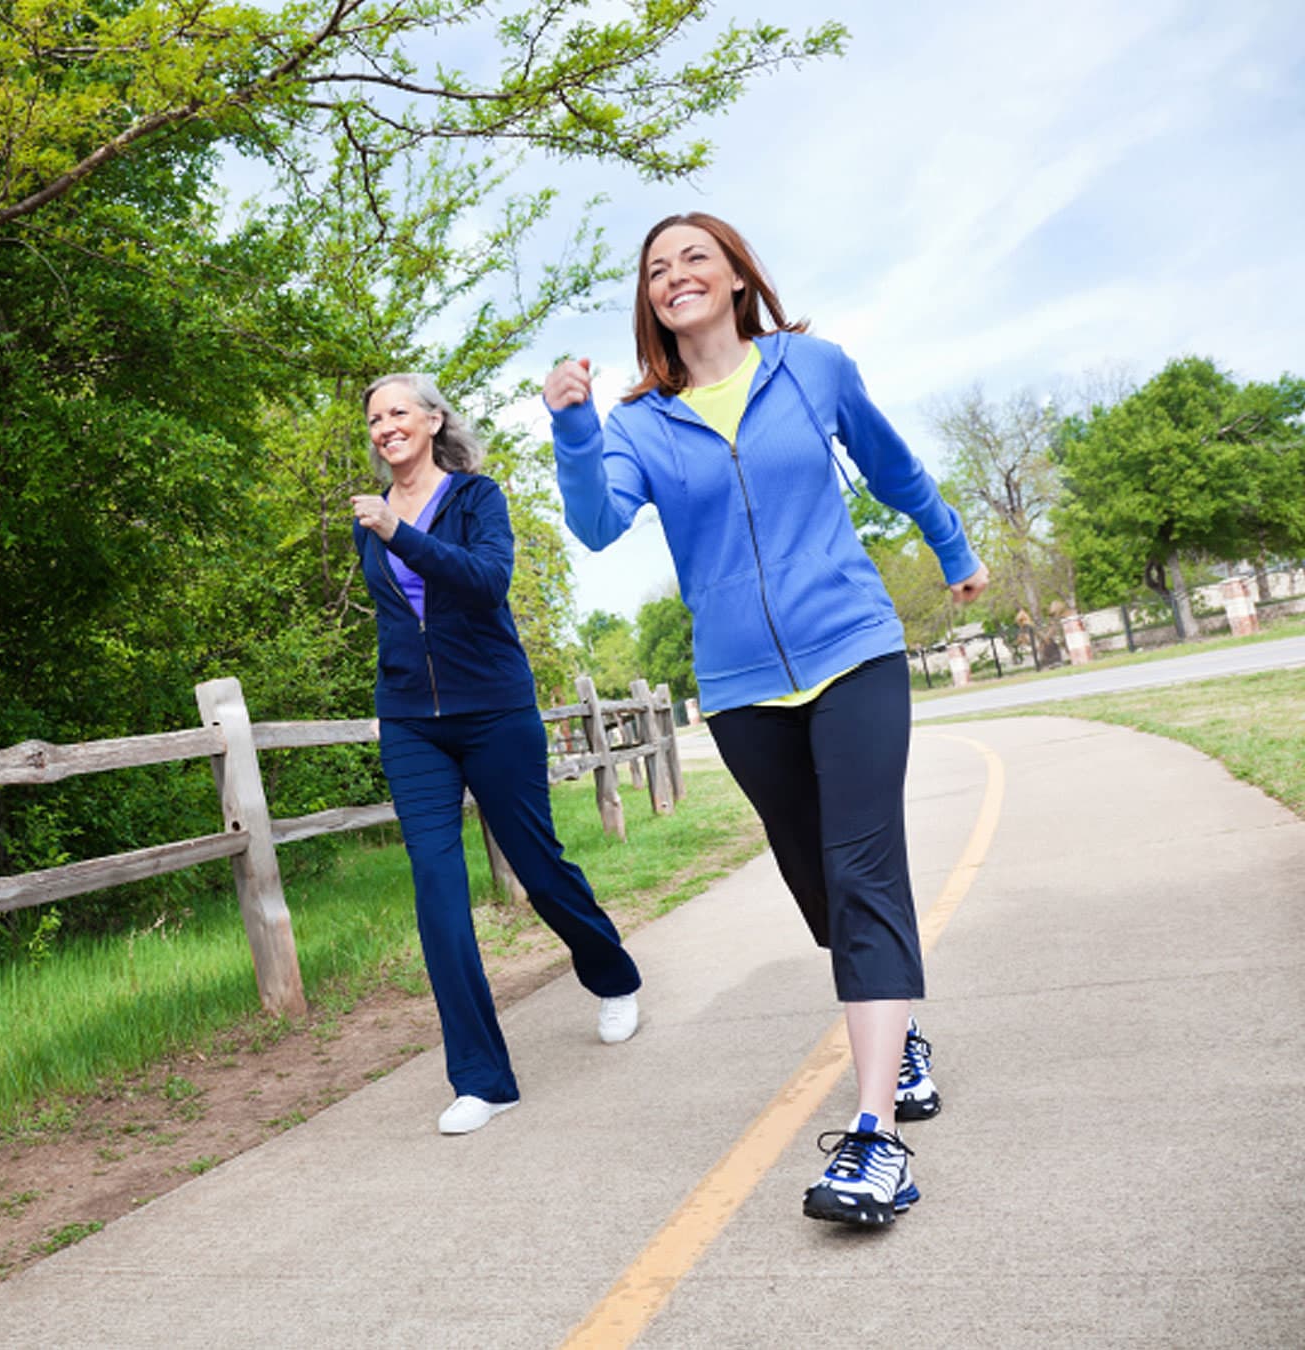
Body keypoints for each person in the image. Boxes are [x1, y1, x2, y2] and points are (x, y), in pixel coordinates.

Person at [542, 212, 989, 1225]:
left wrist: (952, 547)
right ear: (646, 303)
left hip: (852, 648)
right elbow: (597, 524)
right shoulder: (639, 426)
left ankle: (875, 1137)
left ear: (738, 276)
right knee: (813, 877)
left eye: (694, 256)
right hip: (741, 685)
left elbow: (891, 466)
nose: (674, 275)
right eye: (656, 269)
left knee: (864, 867)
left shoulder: (812, 367)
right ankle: (898, 1025)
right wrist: (572, 426)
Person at [352, 372, 644, 1136]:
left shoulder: (478, 499)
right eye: (374, 418)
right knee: (437, 889)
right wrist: (389, 701)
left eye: (397, 412)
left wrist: (397, 532)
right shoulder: (370, 518)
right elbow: (394, 622)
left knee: (538, 866)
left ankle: (612, 975)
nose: (385, 426)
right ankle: (482, 1078)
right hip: (413, 723)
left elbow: (486, 584)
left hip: (494, 712)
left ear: (432, 419)